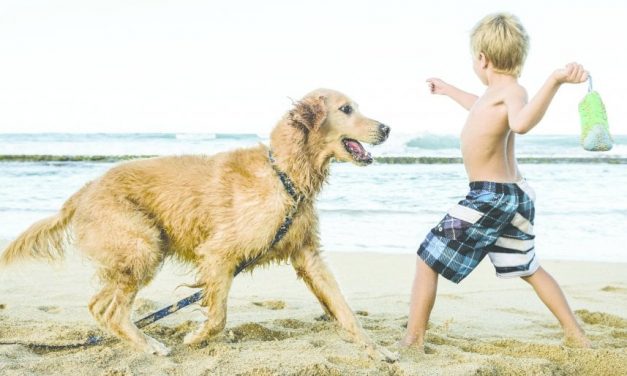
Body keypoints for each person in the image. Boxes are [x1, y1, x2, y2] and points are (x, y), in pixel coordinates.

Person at [399, 12, 591, 350]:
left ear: (482, 58)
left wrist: (555, 82)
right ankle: (575, 333)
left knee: (427, 257)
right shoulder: (494, 94)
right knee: (528, 266)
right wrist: (447, 89)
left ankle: (413, 340)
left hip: (490, 197)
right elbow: (478, 107)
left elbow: (520, 123)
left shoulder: (514, 92)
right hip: (511, 196)